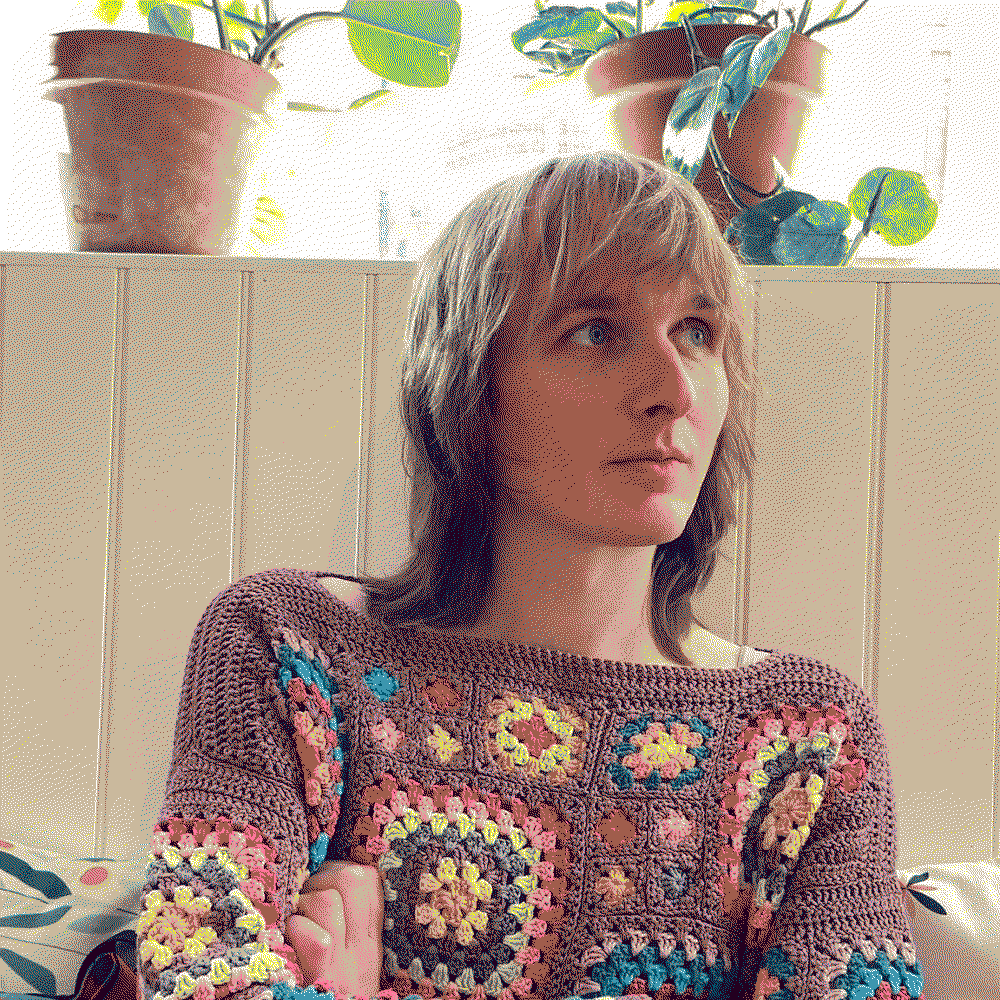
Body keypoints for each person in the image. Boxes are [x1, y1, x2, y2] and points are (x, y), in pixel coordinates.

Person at [141, 152, 924, 1000]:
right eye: (595, 330)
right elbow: (197, 967)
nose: (673, 389)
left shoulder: (806, 740)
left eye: (696, 333)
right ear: (470, 385)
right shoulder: (291, 651)